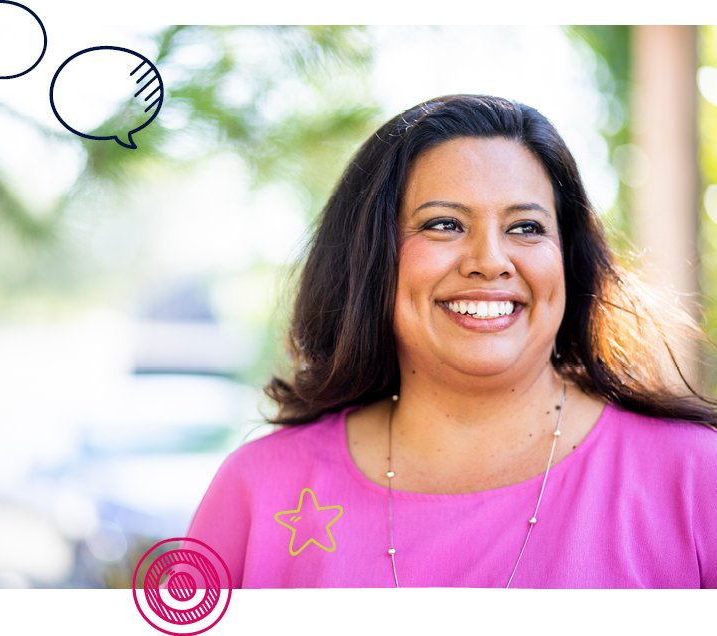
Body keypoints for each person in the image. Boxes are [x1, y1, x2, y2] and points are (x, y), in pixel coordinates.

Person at [185, 94, 717, 588]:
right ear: (372, 258)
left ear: (569, 261)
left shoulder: (696, 478)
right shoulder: (261, 490)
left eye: (527, 228)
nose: (489, 261)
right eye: (444, 224)